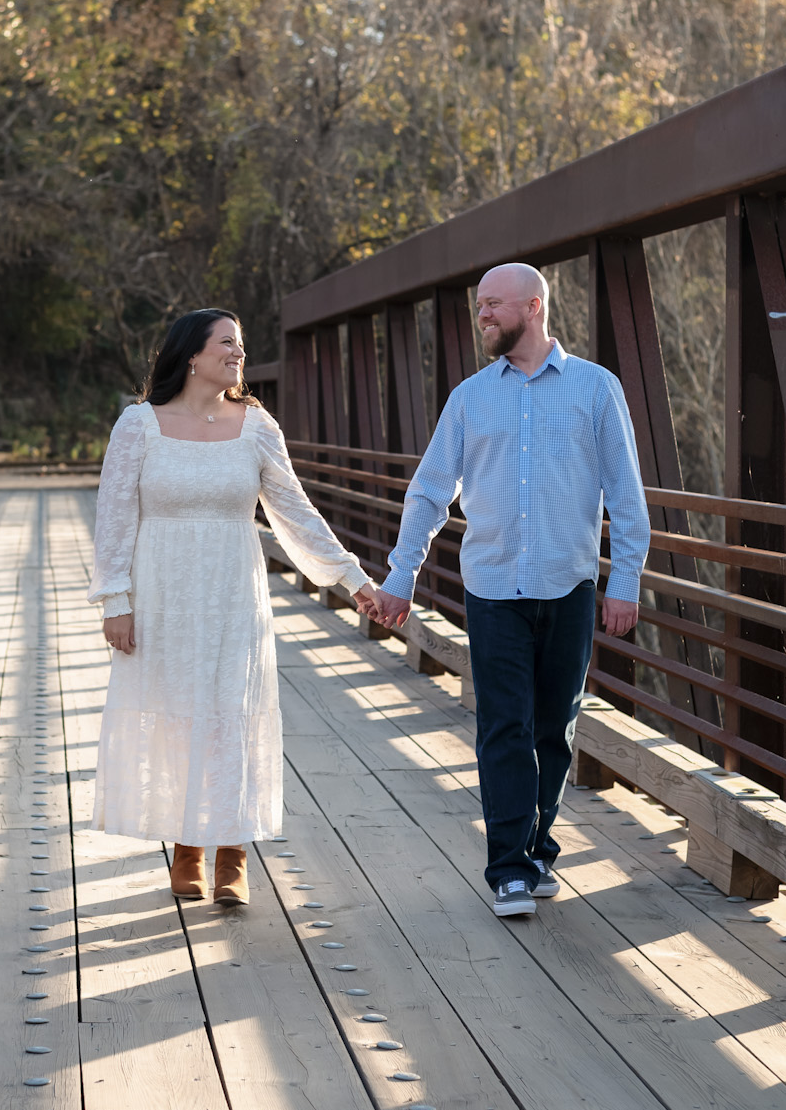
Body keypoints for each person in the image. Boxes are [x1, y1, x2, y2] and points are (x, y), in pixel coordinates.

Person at [372, 263, 649, 919]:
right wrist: (400, 574)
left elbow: (627, 497)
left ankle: (536, 844)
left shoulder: (594, 389)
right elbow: (430, 491)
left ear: (533, 306)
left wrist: (625, 580)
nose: (482, 317)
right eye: (477, 307)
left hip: (568, 585)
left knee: (554, 729)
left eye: (492, 305)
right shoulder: (470, 397)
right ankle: (508, 869)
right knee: (503, 725)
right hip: (492, 587)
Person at [88, 307, 380, 906]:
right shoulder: (138, 426)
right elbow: (114, 518)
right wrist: (114, 600)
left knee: (230, 714)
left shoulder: (256, 426)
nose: (238, 354)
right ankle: (187, 846)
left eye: (241, 345)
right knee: (173, 715)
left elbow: (295, 513)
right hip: (161, 593)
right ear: (191, 355)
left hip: (230, 594)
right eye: (227, 343)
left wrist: (351, 578)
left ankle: (232, 851)